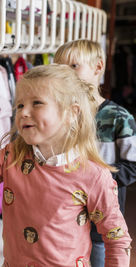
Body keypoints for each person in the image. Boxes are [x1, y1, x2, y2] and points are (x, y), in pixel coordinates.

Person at [0, 64, 132, 266]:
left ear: (71, 113)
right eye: (19, 105)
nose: (24, 112)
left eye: (37, 103)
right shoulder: (12, 156)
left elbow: (116, 238)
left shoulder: (94, 176)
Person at [54, 39, 136, 267]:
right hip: (64, 218)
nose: (66, 75)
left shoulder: (119, 117)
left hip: (102, 218)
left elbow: (133, 165)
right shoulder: (57, 114)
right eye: (59, 68)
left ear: (98, 68)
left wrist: (97, 182)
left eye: (73, 66)